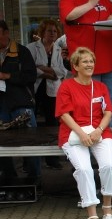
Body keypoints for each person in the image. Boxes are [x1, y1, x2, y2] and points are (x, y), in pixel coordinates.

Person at [56, 47, 112, 219]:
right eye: (85, 61)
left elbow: (108, 112)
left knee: (109, 165)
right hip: (73, 134)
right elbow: (64, 115)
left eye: (91, 61)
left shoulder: (101, 87)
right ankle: (92, 213)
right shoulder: (67, 86)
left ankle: (107, 206)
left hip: (100, 133)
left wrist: (99, 130)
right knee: (84, 169)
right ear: (75, 65)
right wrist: (82, 134)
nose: (89, 64)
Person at [59, 0, 112, 134]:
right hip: (85, 56)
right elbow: (68, 16)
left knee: (110, 92)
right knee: (90, 93)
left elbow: (111, 14)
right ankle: (92, 125)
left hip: (107, 52)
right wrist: (89, 4)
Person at [0, 20, 40, 180]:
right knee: (2, 145)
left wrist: (7, 76)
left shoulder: (22, 51)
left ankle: (34, 178)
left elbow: (31, 76)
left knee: (30, 142)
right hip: (1, 104)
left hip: (21, 102)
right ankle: (10, 179)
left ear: (6, 33)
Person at [27, 20, 65, 170]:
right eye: (49, 31)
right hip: (35, 89)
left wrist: (44, 69)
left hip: (53, 91)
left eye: (55, 31)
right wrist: (47, 72)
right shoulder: (31, 48)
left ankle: (52, 159)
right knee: (32, 122)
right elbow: (30, 69)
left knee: (52, 124)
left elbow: (62, 71)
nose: (52, 34)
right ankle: (29, 161)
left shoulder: (58, 49)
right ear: (43, 32)